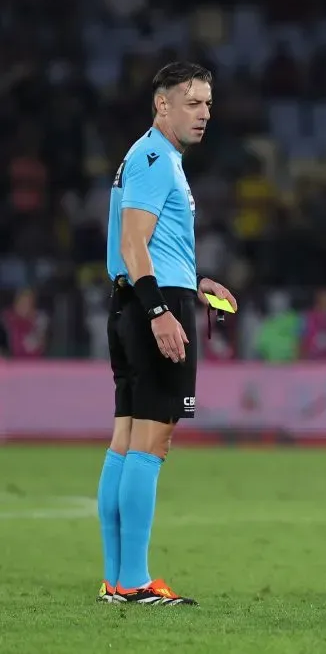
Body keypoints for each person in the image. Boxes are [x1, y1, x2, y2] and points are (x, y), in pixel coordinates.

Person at [98, 62, 237, 605]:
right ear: (163, 105)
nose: (204, 113)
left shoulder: (147, 157)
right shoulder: (156, 158)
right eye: (192, 102)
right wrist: (161, 311)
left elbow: (144, 247)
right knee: (153, 441)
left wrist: (192, 282)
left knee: (127, 439)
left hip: (137, 299)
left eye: (207, 103)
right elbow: (135, 245)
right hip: (151, 305)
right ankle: (132, 581)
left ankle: (117, 579)